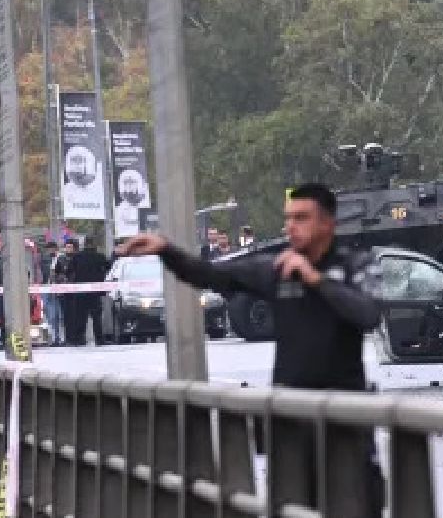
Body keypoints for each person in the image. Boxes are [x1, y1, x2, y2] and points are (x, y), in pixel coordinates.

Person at [115, 182, 386, 514]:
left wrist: (315, 280)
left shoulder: (355, 265)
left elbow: (368, 314)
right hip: (290, 419)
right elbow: (210, 275)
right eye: (288, 218)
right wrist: (165, 250)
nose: (291, 226)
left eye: (302, 218)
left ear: (328, 223)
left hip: (346, 417)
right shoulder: (277, 270)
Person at [67, 240, 109, 347]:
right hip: (96, 292)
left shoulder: (77, 257)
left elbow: (69, 271)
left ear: (84, 245)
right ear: (94, 245)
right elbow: (108, 268)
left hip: (81, 291)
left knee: (80, 317)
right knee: (96, 317)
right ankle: (99, 339)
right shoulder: (100, 257)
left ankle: (79, 339)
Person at [40, 241, 65, 347]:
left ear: (56, 248)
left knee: (61, 315)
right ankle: (54, 338)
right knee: (51, 315)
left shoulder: (61, 258)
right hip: (47, 288)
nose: (50, 251)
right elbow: (44, 272)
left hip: (59, 289)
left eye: (51, 249)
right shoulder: (44, 260)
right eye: (48, 249)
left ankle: (62, 338)